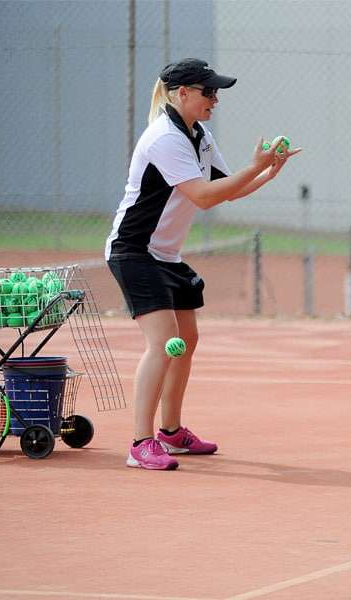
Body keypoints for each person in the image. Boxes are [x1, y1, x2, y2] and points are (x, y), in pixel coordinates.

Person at [105, 58, 299, 470]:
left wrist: (267, 174)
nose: (215, 99)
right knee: (163, 343)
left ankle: (170, 433)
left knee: (187, 341)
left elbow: (224, 191)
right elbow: (203, 197)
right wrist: (256, 167)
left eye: (217, 92)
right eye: (208, 91)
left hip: (166, 254)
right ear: (182, 94)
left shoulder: (199, 135)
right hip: (134, 250)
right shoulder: (164, 138)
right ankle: (140, 443)